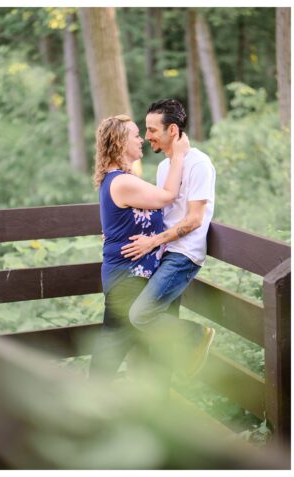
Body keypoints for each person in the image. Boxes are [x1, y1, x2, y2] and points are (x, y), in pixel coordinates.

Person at [120, 99, 217, 377]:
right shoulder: (166, 167)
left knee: (140, 315)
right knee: (147, 316)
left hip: (183, 255)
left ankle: (196, 335)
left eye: (152, 130)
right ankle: (163, 383)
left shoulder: (200, 164)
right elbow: (161, 210)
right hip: (163, 252)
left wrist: (152, 242)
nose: (147, 135)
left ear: (172, 130)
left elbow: (195, 219)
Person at [88, 114, 188, 382]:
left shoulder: (122, 179)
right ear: (120, 142)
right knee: (110, 350)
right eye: (135, 135)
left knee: (142, 352)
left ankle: (145, 410)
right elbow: (167, 196)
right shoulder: (121, 181)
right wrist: (177, 156)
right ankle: (87, 411)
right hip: (127, 278)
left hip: (138, 275)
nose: (141, 139)